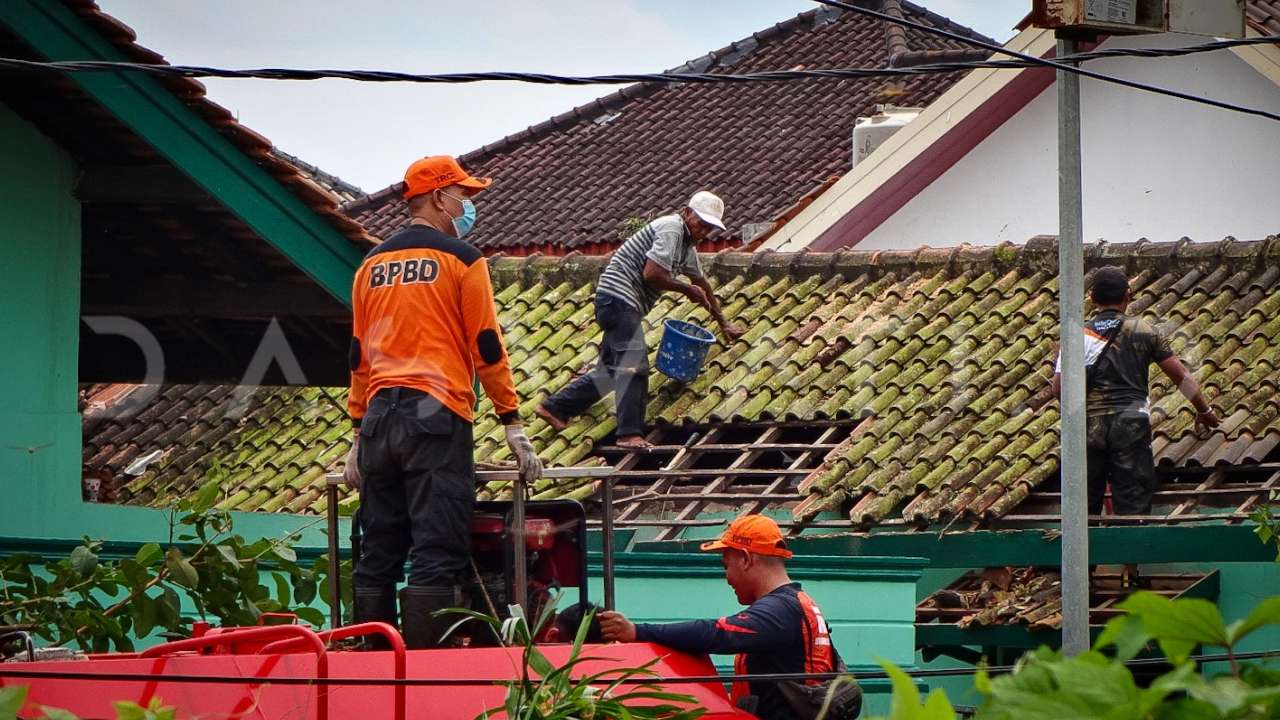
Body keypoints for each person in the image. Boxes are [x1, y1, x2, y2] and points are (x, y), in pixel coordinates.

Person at [343, 155, 544, 649]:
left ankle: (372, 662)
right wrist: (511, 421)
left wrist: (356, 434)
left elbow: (358, 354)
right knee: (438, 546)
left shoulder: (370, 266)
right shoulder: (462, 258)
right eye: (463, 196)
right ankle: (424, 674)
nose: (467, 205)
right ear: (438, 197)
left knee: (380, 545)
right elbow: (487, 345)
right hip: (435, 415)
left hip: (379, 421)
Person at [1029, 266, 1221, 581]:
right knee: (1131, 497)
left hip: (1087, 428)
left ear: (1092, 298)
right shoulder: (1145, 331)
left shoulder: (1076, 335)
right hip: (1131, 423)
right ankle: (1129, 569)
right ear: (1128, 297)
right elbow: (1181, 377)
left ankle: (1081, 575)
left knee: (1084, 499)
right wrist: (1204, 410)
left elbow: (1058, 389)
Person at [535, 192, 745, 449]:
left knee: (612, 372)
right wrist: (687, 290)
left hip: (618, 304)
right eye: (701, 221)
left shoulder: (686, 247)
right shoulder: (671, 228)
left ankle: (554, 408)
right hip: (617, 299)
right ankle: (629, 434)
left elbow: (702, 285)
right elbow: (652, 274)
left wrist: (723, 322)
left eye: (709, 226)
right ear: (687, 212)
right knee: (634, 365)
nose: (704, 229)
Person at [598, 515, 846, 720]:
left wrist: (636, 632)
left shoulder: (781, 610)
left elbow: (718, 633)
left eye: (726, 565)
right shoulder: (799, 604)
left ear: (746, 559)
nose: (726, 578)